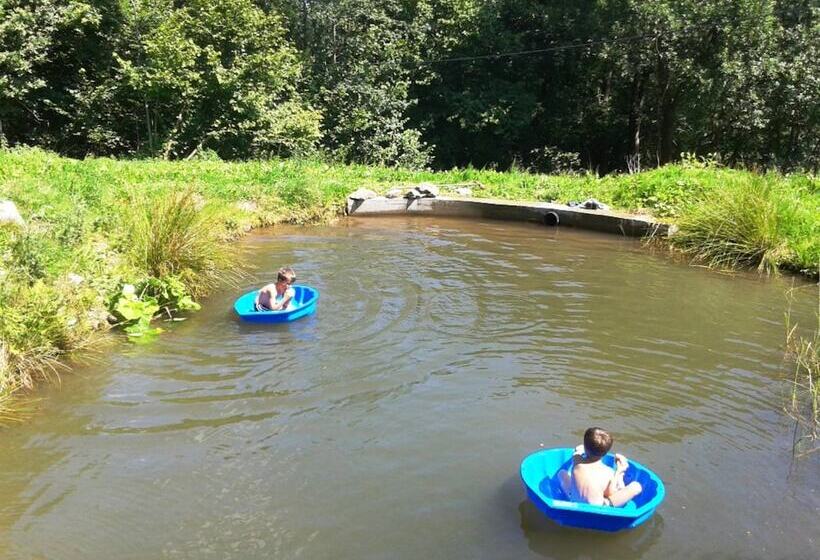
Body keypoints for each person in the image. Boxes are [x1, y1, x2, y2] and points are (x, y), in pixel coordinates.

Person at [558, 427, 643, 507]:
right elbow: (610, 494)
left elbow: (577, 450)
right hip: (599, 509)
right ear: (606, 453)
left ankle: (572, 496)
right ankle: (622, 471)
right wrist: (618, 472)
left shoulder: (577, 460)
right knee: (636, 486)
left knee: (562, 473)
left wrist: (579, 449)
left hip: (574, 501)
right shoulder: (608, 472)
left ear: (585, 447)